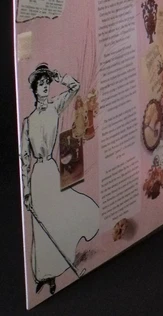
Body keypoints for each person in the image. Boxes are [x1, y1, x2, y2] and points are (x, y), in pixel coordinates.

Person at [20, 63, 99, 295]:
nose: (45, 87)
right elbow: (24, 158)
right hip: (37, 176)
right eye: (41, 84)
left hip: (51, 170)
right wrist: (26, 190)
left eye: (47, 83)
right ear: (34, 89)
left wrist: (57, 75)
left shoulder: (56, 106)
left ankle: (54, 273)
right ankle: (44, 276)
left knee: (57, 217)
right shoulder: (28, 121)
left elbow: (75, 87)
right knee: (41, 227)